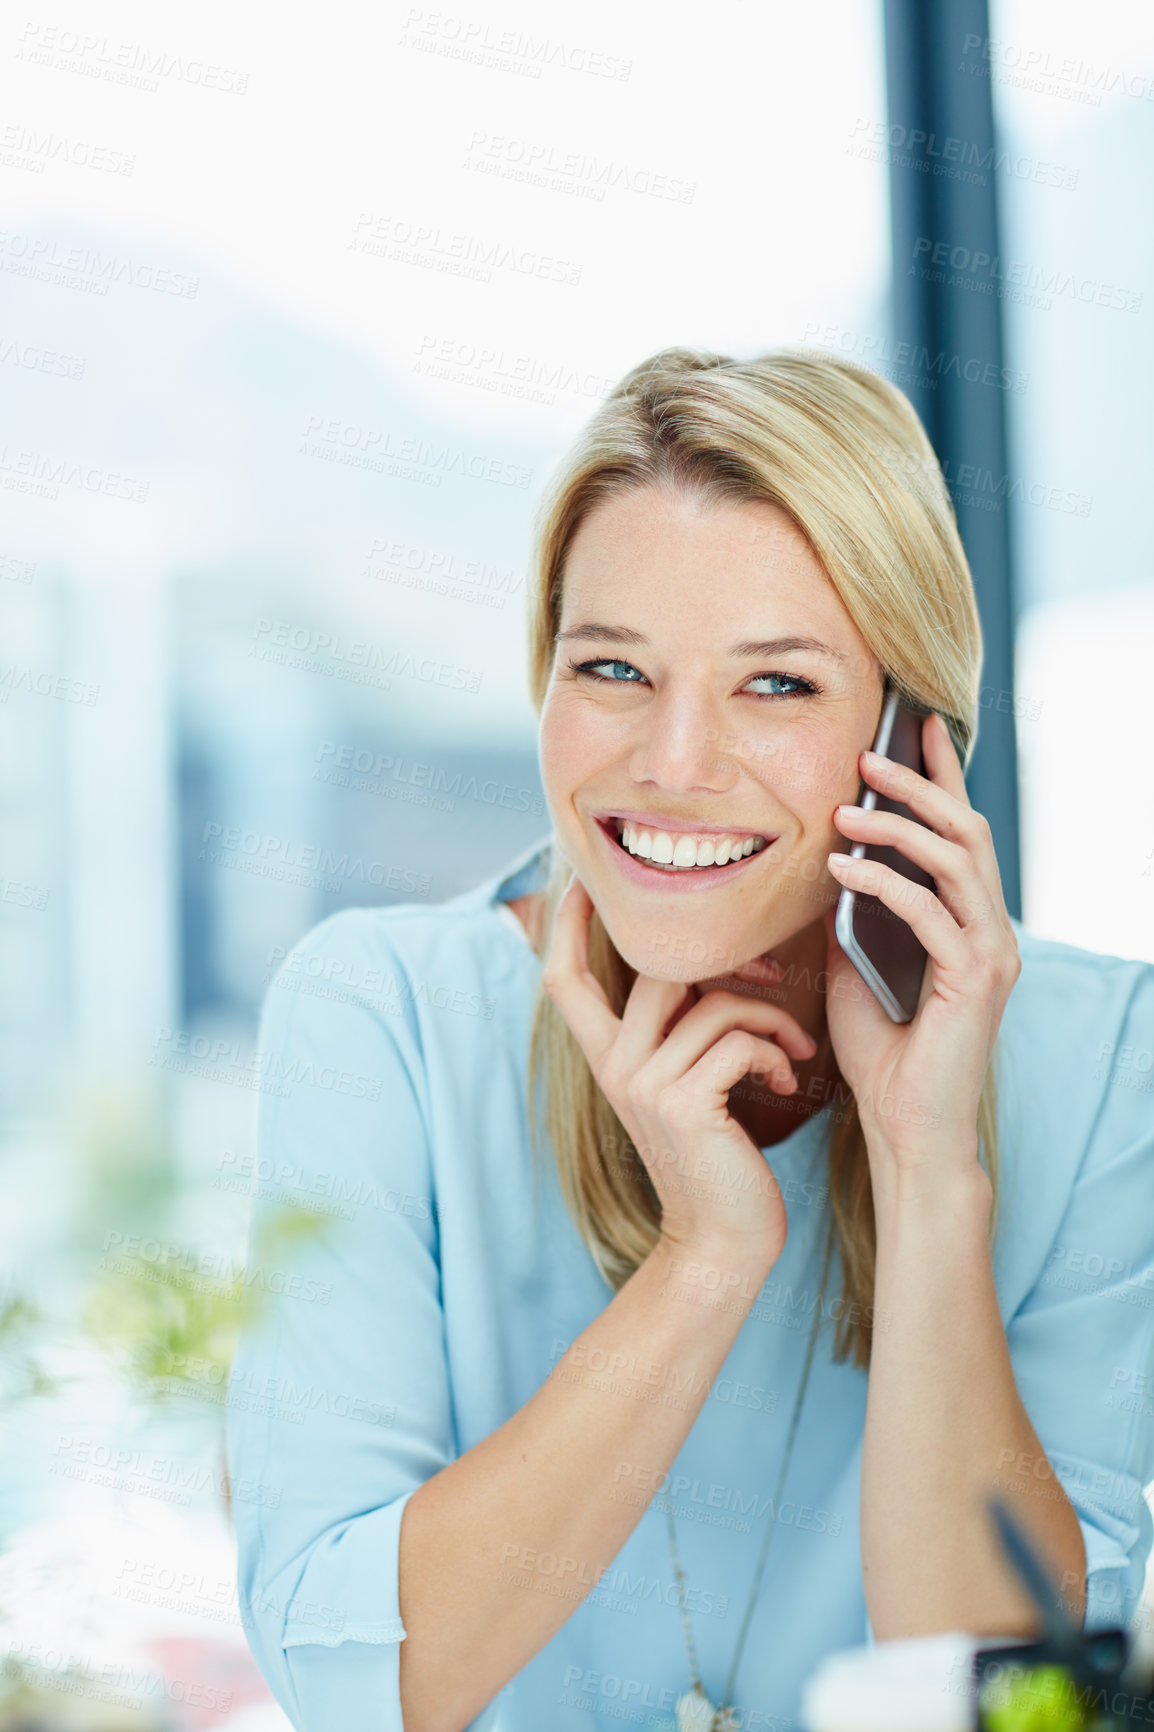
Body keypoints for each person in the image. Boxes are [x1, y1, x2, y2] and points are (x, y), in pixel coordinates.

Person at [226, 348, 1154, 1732]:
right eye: (610, 667)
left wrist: (925, 1167)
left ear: (911, 744)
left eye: (774, 686)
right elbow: (356, 1684)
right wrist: (704, 1262)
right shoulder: (384, 1019)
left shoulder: (1101, 1064)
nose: (669, 761)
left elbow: (1018, 1708)